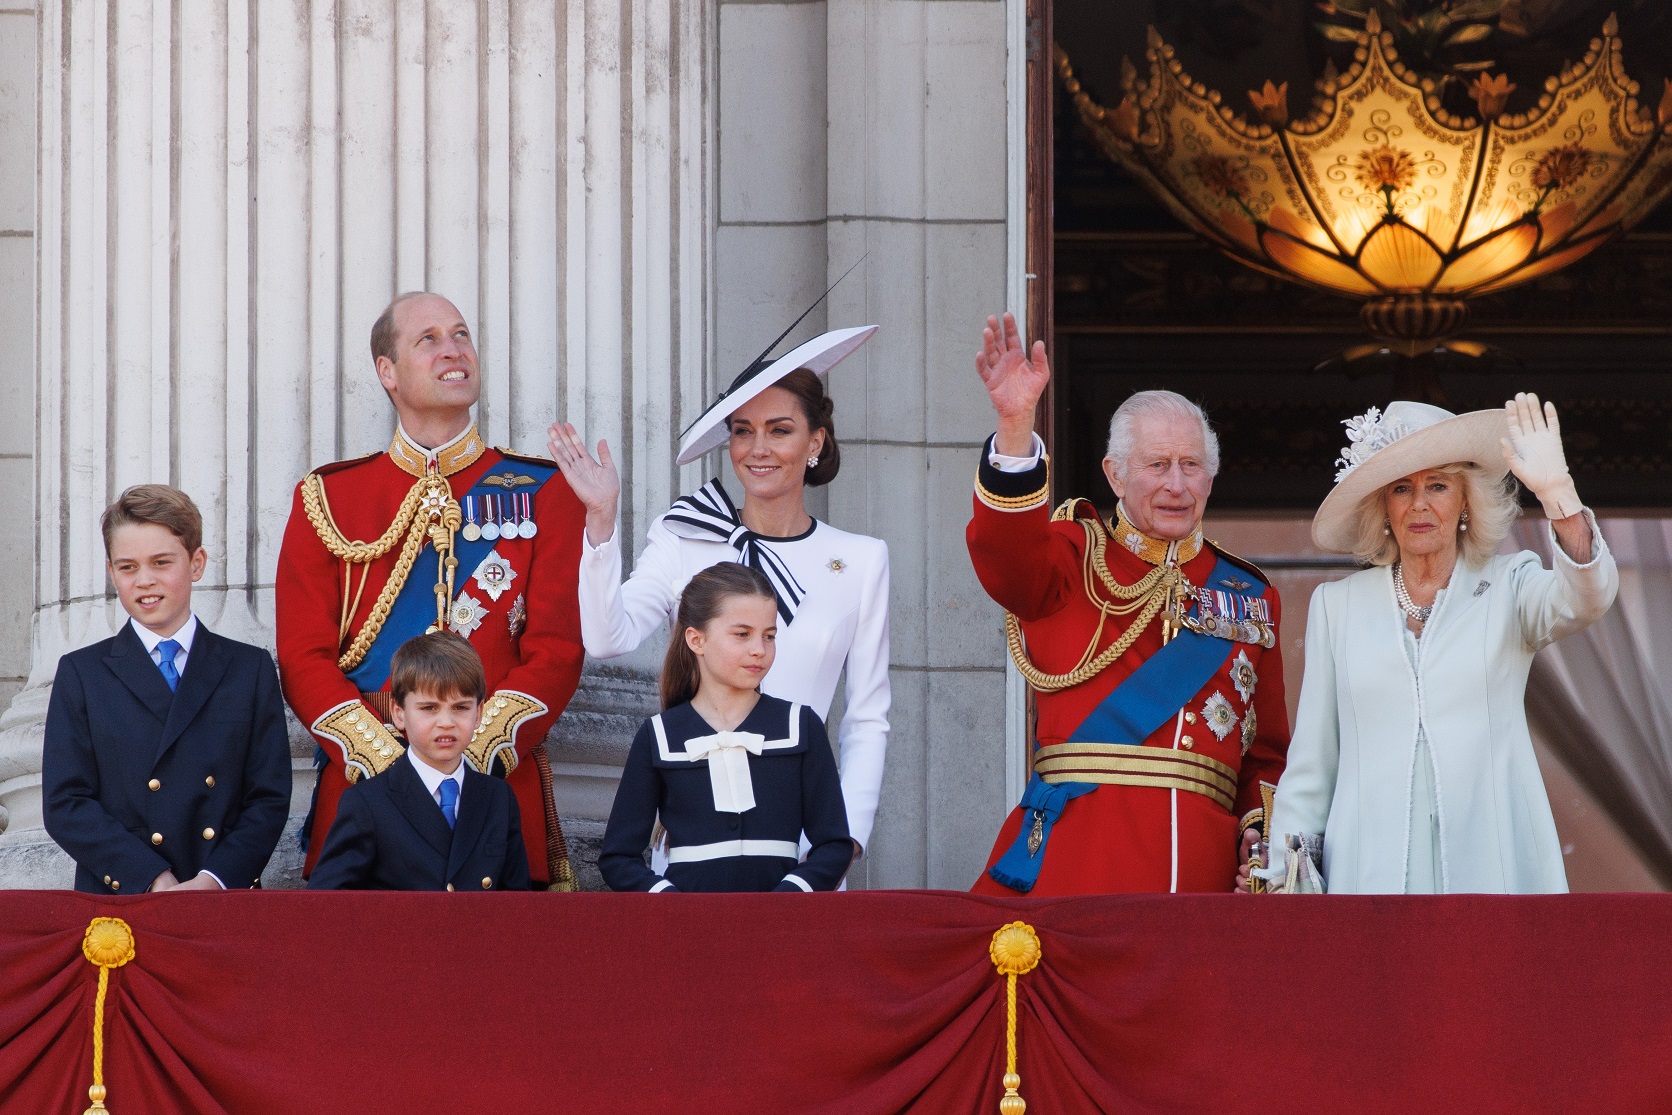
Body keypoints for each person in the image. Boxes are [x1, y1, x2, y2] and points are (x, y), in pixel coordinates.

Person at [965, 313, 1291, 895]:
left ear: (1211, 478)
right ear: (1114, 475)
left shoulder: (1249, 596)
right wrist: (1014, 427)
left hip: (1204, 879)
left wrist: (1257, 839)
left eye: (1191, 466)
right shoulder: (1071, 558)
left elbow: (1265, 757)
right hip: (1078, 866)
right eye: (1157, 465)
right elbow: (1006, 555)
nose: (1177, 485)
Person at [1248, 394, 1618, 895]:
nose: (1419, 504)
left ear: (1466, 500)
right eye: (1402, 488)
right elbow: (1313, 763)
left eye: (1437, 485)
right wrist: (1285, 879)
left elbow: (1586, 599)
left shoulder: (1509, 585)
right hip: (1368, 876)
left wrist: (1560, 497)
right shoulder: (1337, 606)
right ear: (1384, 506)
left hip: (1493, 871)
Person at [276, 292, 586, 889]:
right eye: (430, 339)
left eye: (461, 334)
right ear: (386, 371)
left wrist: (467, 751)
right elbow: (302, 655)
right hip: (366, 795)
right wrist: (390, 764)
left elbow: (557, 650)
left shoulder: (544, 491)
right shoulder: (329, 498)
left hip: (493, 795)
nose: (454, 350)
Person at [548, 324, 888, 865]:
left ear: (816, 442)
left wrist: (843, 842)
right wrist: (601, 521)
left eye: (779, 430)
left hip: (803, 846)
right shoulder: (684, 535)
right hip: (691, 840)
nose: (758, 449)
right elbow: (608, 638)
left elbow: (866, 717)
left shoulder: (862, 560)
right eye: (742, 431)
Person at [42, 485, 291, 894]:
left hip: (221, 896)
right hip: (123, 898)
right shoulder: (82, 674)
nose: (145, 581)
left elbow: (268, 797)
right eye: (128, 567)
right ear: (111, 572)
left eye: (161, 562)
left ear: (196, 563)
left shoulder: (249, 668)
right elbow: (65, 803)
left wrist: (214, 880)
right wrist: (150, 877)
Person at [600, 564, 851, 892]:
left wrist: (788, 898)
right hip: (689, 921)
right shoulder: (658, 736)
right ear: (696, 640)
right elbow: (618, 857)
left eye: (769, 635)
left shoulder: (801, 727)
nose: (759, 649)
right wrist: (671, 904)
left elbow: (835, 845)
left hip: (783, 920)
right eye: (742, 634)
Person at [309, 634, 531, 891]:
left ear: (479, 713)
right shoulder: (367, 803)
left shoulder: (498, 798)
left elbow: (517, 902)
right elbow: (328, 903)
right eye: (429, 708)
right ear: (399, 713)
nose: (446, 722)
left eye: (460, 708)